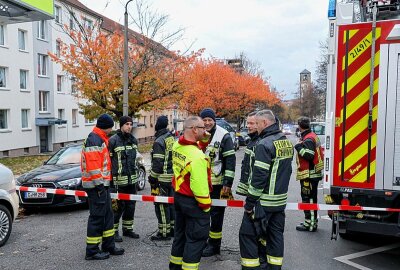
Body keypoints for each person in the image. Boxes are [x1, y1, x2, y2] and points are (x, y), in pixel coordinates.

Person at [239, 110, 293, 270]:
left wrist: (249, 203)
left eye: (257, 122)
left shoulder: (264, 144)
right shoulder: (284, 141)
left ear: (265, 123)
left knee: (247, 236)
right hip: (279, 201)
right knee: (275, 236)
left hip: (263, 202)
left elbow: (259, 178)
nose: (256, 126)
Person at [169, 116, 212, 270]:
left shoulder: (177, 146)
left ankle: (175, 266)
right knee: (195, 240)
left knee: (180, 236)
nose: (205, 130)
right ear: (194, 129)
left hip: (179, 198)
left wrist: (204, 139)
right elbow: (199, 186)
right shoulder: (198, 157)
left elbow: (195, 145)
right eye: (202, 128)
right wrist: (206, 206)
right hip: (194, 203)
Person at [81, 113, 124, 260]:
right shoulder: (94, 139)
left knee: (107, 216)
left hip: (102, 186)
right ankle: (92, 251)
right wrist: (100, 186)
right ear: (106, 127)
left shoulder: (100, 139)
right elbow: (94, 167)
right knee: (97, 217)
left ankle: (108, 245)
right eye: (110, 127)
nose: (111, 130)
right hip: (96, 187)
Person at [198, 108, 236, 257]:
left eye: (210, 120)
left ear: (214, 120)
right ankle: (205, 241)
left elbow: (230, 161)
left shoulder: (224, 136)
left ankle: (215, 245)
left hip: (218, 183)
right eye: (205, 120)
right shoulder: (197, 133)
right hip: (200, 182)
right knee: (203, 213)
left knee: (216, 215)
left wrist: (228, 183)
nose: (207, 123)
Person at [236, 111, 266, 267]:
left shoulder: (259, 143)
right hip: (254, 196)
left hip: (257, 198)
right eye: (247, 123)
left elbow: (259, 174)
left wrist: (251, 200)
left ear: (261, 123)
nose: (248, 126)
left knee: (250, 233)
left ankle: (255, 264)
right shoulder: (253, 141)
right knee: (256, 233)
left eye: (252, 123)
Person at [108, 116, 140, 242]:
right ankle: (114, 231)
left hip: (131, 181)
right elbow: (109, 162)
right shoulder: (113, 141)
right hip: (118, 182)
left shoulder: (133, 140)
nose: (129, 126)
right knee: (117, 207)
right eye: (127, 124)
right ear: (121, 125)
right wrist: (110, 180)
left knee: (131, 206)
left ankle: (128, 229)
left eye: (131, 124)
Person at [295, 116, 324, 232]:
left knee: (309, 200)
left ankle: (311, 224)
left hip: (309, 175)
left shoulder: (308, 139)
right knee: (310, 199)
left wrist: (298, 147)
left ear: (299, 126)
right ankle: (310, 221)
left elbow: (309, 155)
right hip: (312, 174)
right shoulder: (311, 135)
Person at [148, 115, 175, 241]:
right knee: (171, 205)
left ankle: (164, 232)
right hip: (172, 178)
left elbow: (158, 163)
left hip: (162, 179)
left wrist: (152, 178)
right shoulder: (171, 138)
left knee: (161, 205)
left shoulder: (159, 141)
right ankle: (173, 229)